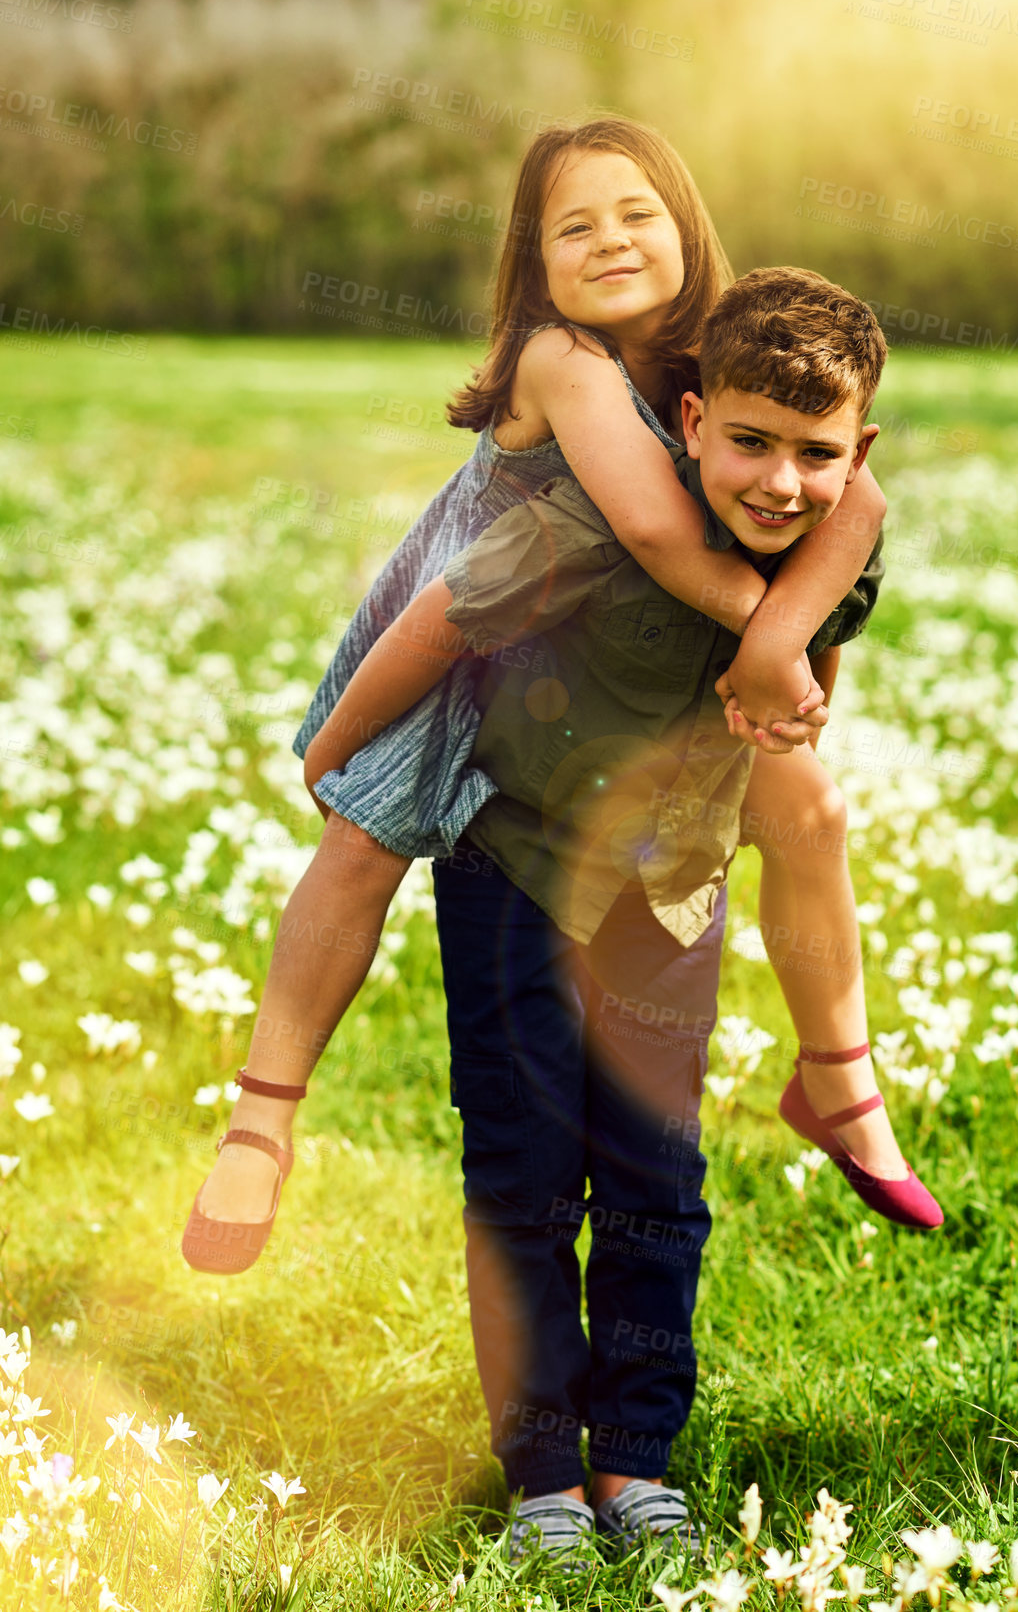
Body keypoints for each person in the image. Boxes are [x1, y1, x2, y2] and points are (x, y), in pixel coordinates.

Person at [240, 267, 942, 1564]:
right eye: (749, 442)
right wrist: (331, 749)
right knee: (521, 1175)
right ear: (687, 421)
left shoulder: (847, 541)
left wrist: (789, 701)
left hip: (669, 896)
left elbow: (812, 663)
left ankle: (636, 1460)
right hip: (515, 868)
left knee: (656, 1177)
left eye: (816, 454)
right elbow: (438, 620)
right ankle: (543, 1473)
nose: (782, 482)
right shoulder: (584, 522)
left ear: (861, 452)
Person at [181, 120, 887, 1271]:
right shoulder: (561, 358)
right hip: (478, 651)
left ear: (686, 227)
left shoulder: (728, 360)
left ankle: (839, 1075)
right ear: (533, 261)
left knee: (811, 812)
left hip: (636, 665)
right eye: (574, 225)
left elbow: (859, 501)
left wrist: (781, 649)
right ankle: (263, 1114)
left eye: (636, 213)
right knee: (363, 844)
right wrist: (773, 636)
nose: (609, 239)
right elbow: (658, 528)